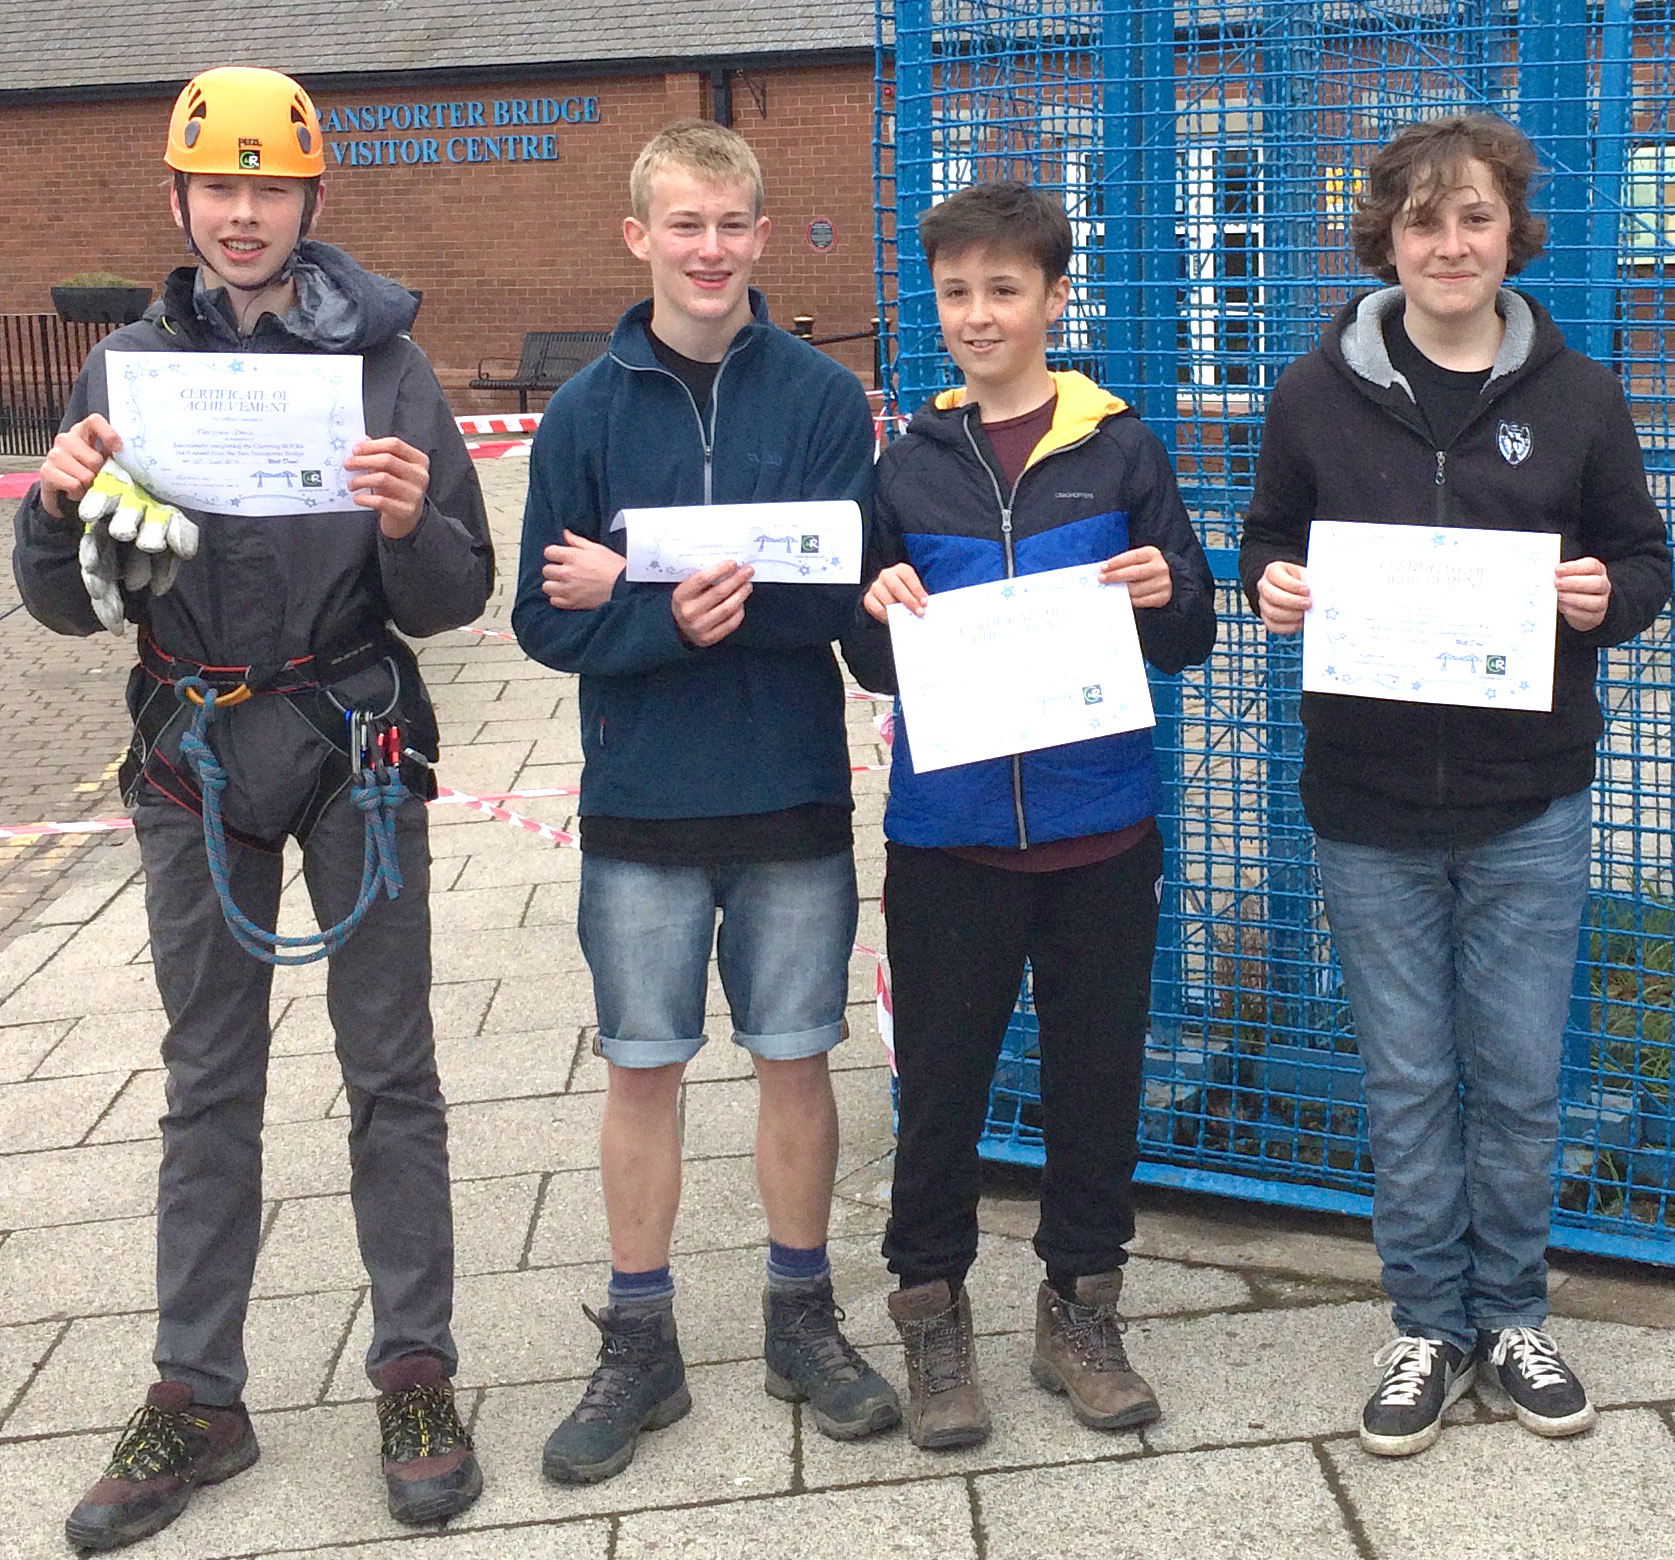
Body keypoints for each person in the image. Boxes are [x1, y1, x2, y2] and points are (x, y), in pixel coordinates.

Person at [13, 66, 493, 1548]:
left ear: (306, 204)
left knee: (392, 1068)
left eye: (266, 187)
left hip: (350, 734)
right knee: (205, 1079)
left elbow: (458, 589)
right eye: (215, 187)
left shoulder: (391, 366)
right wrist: (51, 508)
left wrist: (413, 522)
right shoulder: (125, 375)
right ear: (178, 201)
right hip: (196, 753)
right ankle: (197, 1392)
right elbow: (68, 607)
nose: (240, 212)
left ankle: (413, 1367)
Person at [1240, 114, 1671, 1457]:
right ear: (1388, 240)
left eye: (1474, 218)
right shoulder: (1315, 393)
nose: (1450, 244)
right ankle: (1427, 1322)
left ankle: (1515, 1316)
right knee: (1410, 1079)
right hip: (1367, 805)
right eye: (1424, 222)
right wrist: (1273, 584)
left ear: (1510, 234)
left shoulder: (1582, 396)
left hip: (1528, 800)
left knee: (1523, 1074)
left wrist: (1609, 600)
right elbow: (1264, 538)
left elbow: (1645, 562)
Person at [511, 118, 900, 1485]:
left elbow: (839, 591)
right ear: (639, 238)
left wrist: (652, 595)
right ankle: (641, 1342)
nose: (712, 248)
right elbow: (539, 626)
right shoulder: (583, 412)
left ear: (763, 233)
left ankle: (803, 1314)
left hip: (791, 785)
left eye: (734, 222)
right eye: (686, 224)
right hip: (642, 801)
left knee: (796, 1052)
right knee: (643, 1066)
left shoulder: (816, 399)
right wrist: (666, 619)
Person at [851, 181, 1216, 1449]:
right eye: (956, 292)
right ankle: (932, 1314)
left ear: (1055, 300)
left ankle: (1079, 1308)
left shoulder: (1121, 447)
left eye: (1004, 290)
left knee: (1093, 1079)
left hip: (1100, 833)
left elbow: (1190, 631)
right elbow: (873, 660)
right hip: (949, 839)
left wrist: (1169, 583)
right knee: (942, 1084)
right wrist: (876, 606)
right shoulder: (908, 461)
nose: (977, 315)